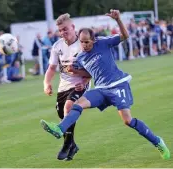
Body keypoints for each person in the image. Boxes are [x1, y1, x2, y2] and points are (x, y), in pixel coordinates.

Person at [40, 9, 170, 160]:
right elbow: (88, 74)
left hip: (117, 85)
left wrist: (118, 20)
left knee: (127, 120)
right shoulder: (81, 56)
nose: (84, 45)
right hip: (101, 89)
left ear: (94, 40)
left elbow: (125, 36)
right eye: (81, 42)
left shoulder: (103, 42)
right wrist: (80, 79)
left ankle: (158, 142)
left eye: (87, 42)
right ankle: (60, 129)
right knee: (77, 104)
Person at [41, 13, 91, 161]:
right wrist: (46, 83)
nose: (63, 33)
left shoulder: (83, 45)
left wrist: (86, 81)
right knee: (64, 116)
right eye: (60, 30)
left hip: (80, 84)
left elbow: (93, 69)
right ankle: (73, 145)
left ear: (73, 27)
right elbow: (51, 68)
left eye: (65, 29)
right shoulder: (57, 46)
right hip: (63, 86)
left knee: (68, 107)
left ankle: (67, 144)